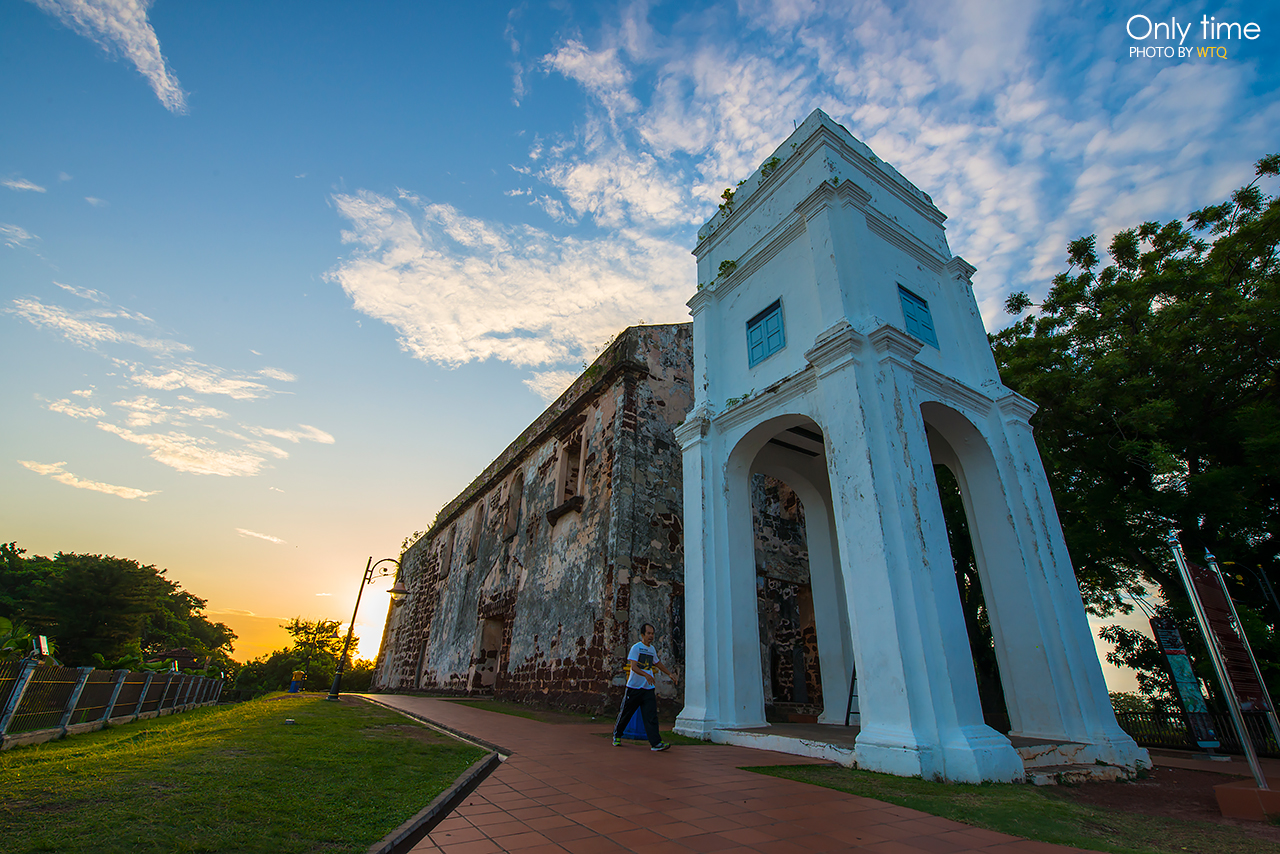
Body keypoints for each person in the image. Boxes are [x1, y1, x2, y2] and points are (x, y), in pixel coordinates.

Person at [613, 622, 679, 751]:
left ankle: (656, 743)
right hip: (634, 688)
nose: (651, 636)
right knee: (626, 713)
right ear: (642, 634)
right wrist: (646, 675)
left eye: (652, 634)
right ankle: (617, 735)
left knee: (651, 716)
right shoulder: (636, 648)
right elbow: (634, 667)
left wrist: (669, 673)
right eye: (648, 633)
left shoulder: (652, 649)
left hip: (647, 689)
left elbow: (657, 663)